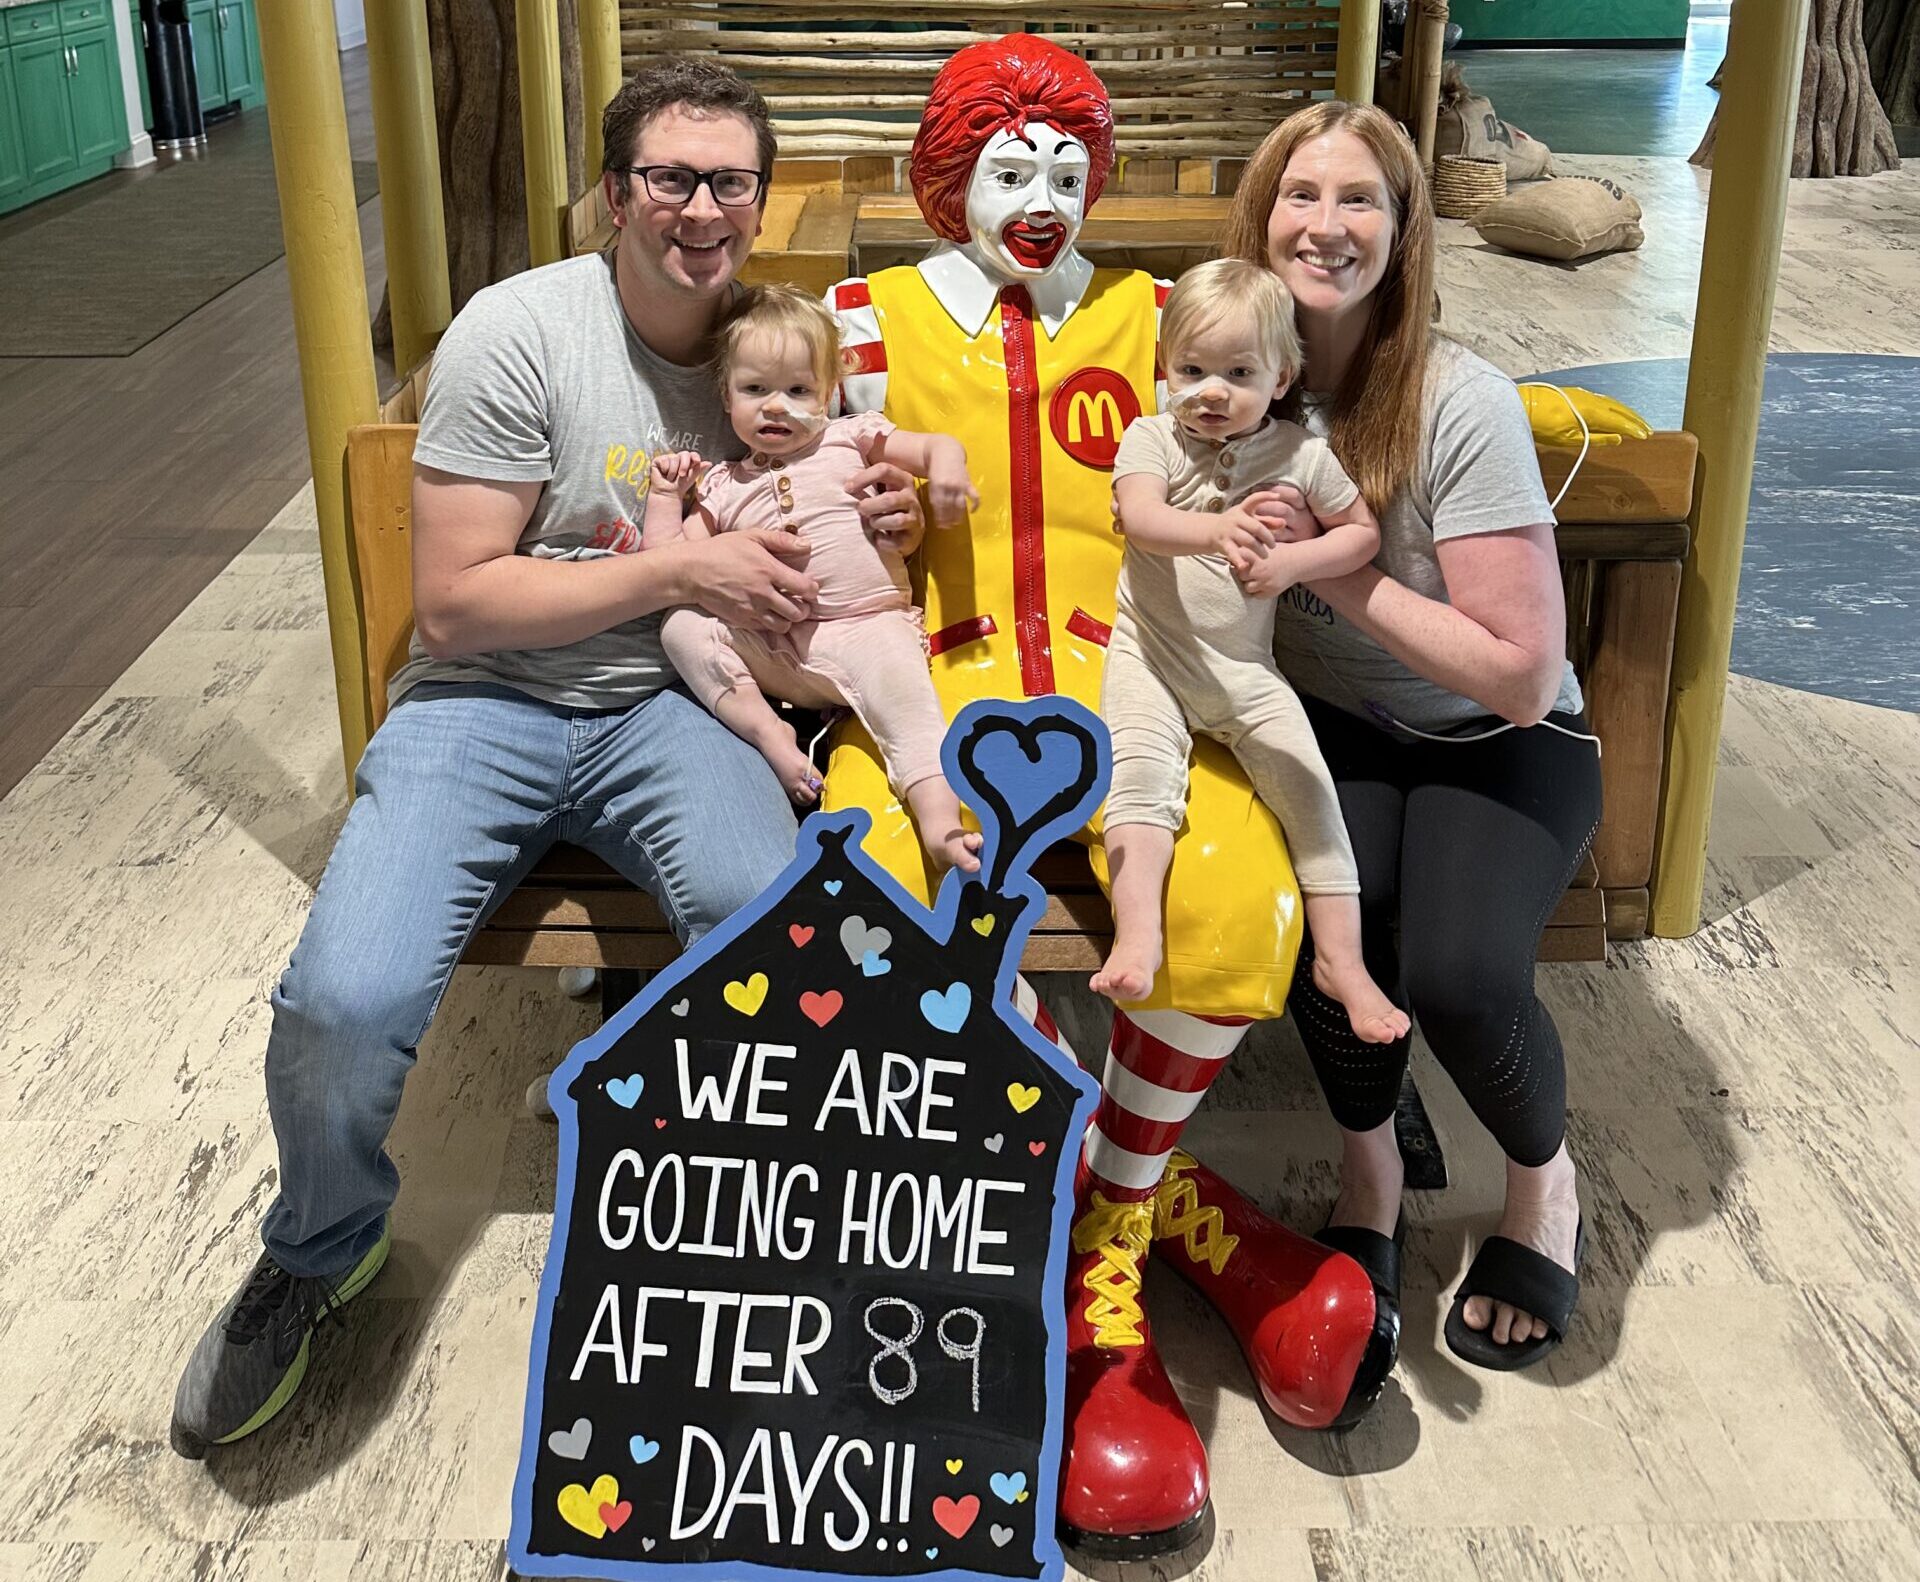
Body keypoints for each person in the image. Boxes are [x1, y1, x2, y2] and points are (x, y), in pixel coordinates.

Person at [168, 57, 923, 1460]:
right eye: (669, 178)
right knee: (344, 999)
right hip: (485, 701)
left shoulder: (783, 346)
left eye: (729, 180)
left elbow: (862, 515)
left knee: (774, 938)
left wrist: (900, 502)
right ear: (614, 190)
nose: (700, 209)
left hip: (681, 707)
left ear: (763, 196)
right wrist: (680, 569)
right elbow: (456, 601)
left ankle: (742, 1224)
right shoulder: (520, 333)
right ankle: (318, 1246)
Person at [822, 36, 1380, 1557]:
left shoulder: (1154, 322)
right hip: (927, 718)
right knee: (878, 919)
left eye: (1069, 172)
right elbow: (786, 501)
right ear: (948, 177)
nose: (1043, 200)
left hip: (1134, 700)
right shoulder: (858, 326)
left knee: (1232, 901)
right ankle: (991, 1237)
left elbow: (1294, 408)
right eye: (1011, 168)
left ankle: (1109, 1254)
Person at [1216, 100, 1606, 1371]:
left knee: (1454, 973)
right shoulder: (1234, 372)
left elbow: (1517, 672)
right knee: (1321, 922)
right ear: (1262, 215)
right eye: (1301, 196)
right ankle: (1371, 1171)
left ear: (1404, 228)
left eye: (1360, 201)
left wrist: (1328, 574)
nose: (1324, 226)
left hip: (1500, 734)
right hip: (1344, 722)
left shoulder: (1457, 401)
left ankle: (1544, 1184)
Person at [1091, 258, 1409, 1054]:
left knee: (1309, 789)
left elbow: (1361, 533)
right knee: (1137, 775)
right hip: (1150, 658)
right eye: (1191, 370)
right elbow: (1142, 518)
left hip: (1244, 673)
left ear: (1280, 378)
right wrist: (1219, 528)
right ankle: (1137, 937)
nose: (1210, 391)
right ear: (1163, 369)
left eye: (1238, 373)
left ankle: (1342, 961)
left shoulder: (1301, 455)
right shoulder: (1151, 436)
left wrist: (1297, 563)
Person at [647, 285, 984, 873]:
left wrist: (949, 468)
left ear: (830, 394)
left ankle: (940, 820)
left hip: (865, 626)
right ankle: (770, 735)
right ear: (726, 396)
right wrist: (664, 494)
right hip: (774, 650)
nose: (776, 406)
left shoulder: (851, 436)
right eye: (755, 390)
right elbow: (665, 564)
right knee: (681, 625)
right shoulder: (723, 485)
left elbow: (933, 447)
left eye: (798, 390)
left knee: (908, 706)